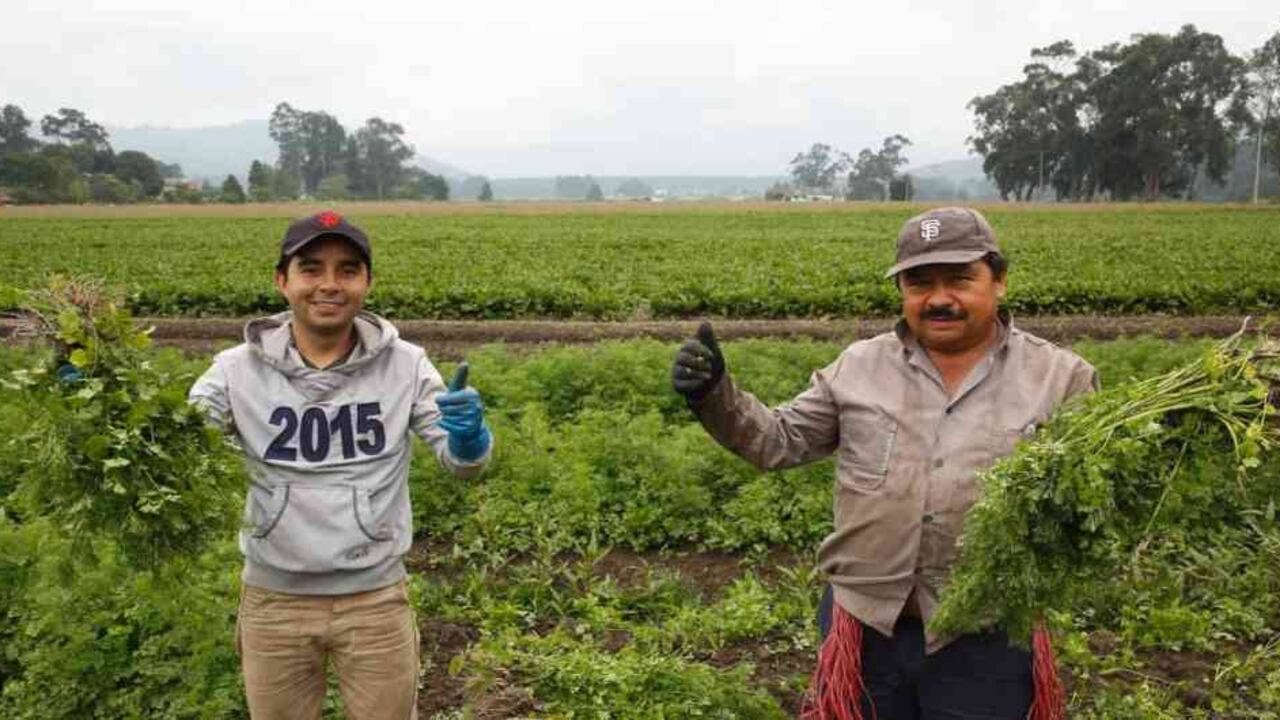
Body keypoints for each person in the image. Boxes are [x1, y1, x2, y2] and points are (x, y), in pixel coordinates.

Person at [671, 207, 1096, 720]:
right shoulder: (859, 366)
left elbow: (1091, 505)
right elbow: (777, 440)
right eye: (919, 283)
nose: (938, 299)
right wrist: (714, 393)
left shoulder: (1061, 379)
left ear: (999, 280)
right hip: (867, 628)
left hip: (987, 633)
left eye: (959, 279)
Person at [189, 210, 492, 719]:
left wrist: (469, 441)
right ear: (282, 281)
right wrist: (101, 405)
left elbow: (462, 464)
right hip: (273, 601)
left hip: (374, 600)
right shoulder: (234, 371)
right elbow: (180, 442)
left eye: (348, 270)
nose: (329, 284)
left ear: (366, 282)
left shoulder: (407, 365)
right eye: (311, 269)